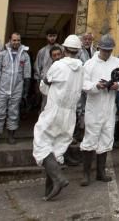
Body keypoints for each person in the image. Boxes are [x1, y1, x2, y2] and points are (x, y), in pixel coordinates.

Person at [33, 41, 81, 202]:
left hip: (55, 110)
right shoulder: (82, 68)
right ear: (78, 51)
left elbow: (43, 87)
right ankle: (50, 189)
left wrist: (50, 90)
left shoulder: (58, 66)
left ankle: (59, 179)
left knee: (41, 144)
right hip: (70, 115)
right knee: (56, 150)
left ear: (64, 49)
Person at [79, 34, 119, 186]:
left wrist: (117, 86)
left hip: (109, 107)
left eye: (109, 50)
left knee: (106, 138)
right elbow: (83, 84)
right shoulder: (89, 64)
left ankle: (100, 172)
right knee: (90, 139)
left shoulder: (117, 62)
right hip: (94, 108)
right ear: (99, 48)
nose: (107, 53)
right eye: (104, 50)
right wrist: (97, 86)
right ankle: (86, 174)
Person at [0, 32, 31, 145]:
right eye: (14, 40)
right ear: (10, 40)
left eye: (18, 40)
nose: (16, 42)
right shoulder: (2, 54)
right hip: (2, 88)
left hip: (17, 88)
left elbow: (27, 73)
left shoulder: (25, 55)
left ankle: (11, 136)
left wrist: (26, 90)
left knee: (13, 112)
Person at [34, 29, 60, 107]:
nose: (52, 38)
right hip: (46, 82)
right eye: (50, 36)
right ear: (46, 37)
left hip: (59, 81)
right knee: (45, 104)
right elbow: (37, 67)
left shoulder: (61, 49)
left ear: (57, 36)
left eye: (54, 36)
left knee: (57, 104)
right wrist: (39, 82)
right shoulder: (42, 51)